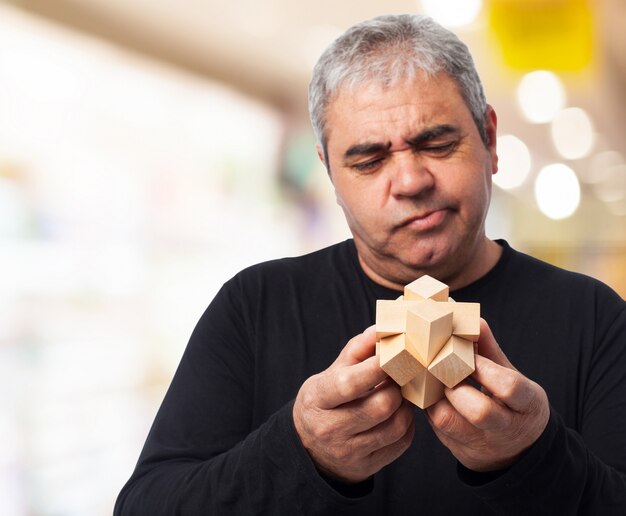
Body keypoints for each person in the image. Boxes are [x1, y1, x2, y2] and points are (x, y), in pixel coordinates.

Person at [114, 14, 626, 515]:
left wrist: (535, 457)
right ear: (330, 173)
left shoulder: (595, 316)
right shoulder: (255, 306)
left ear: (489, 139)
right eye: (368, 160)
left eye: (437, 143)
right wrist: (300, 453)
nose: (409, 181)